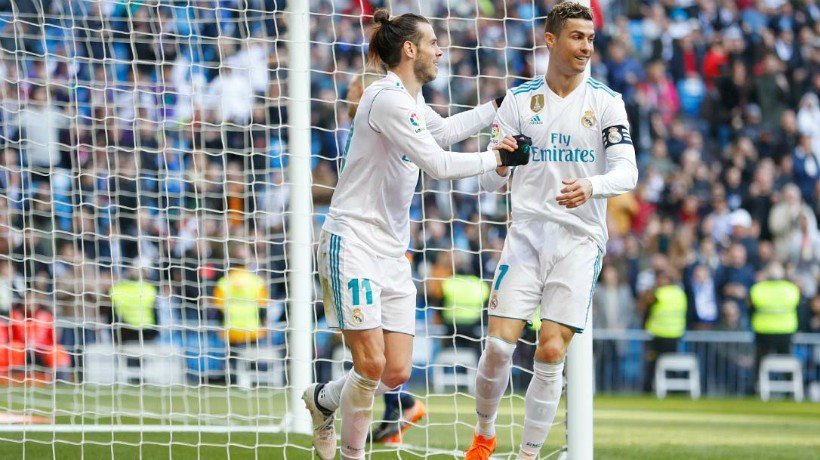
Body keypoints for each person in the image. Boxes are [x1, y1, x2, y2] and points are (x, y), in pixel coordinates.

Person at [301, 9, 530, 460]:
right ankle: (352, 455)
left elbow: (442, 132)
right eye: (433, 43)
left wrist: (495, 108)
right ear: (410, 49)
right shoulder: (384, 97)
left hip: (390, 250)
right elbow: (439, 165)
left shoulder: (410, 100)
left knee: (395, 371)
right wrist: (494, 160)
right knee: (369, 364)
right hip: (352, 241)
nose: (441, 51)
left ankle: (322, 400)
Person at [464, 3, 638, 458]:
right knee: (499, 347)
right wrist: (499, 162)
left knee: (550, 349)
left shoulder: (605, 102)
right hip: (525, 234)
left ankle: (527, 455)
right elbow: (486, 179)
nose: (585, 47)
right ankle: (484, 434)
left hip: (579, 240)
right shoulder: (519, 101)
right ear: (551, 40)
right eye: (577, 37)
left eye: (591, 38)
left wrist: (591, 186)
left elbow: (628, 173)